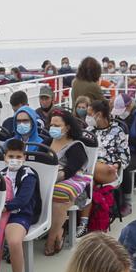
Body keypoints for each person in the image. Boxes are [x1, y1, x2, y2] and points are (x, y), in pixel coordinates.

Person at [1, 139, 41, 272]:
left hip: (21, 213)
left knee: (15, 242)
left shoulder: (28, 174)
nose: (15, 159)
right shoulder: (0, 173)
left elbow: (23, 200)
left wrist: (4, 208)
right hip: (1, 213)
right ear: (5, 157)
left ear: (24, 157)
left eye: (19, 156)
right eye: (11, 156)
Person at [45, 109, 91, 255]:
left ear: (68, 127)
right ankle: (57, 231)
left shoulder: (76, 146)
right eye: (52, 125)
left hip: (71, 185)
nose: (53, 128)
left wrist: (52, 178)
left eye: (57, 125)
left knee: (58, 197)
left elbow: (70, 171)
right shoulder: (46, 143)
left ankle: (51, 239)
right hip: (48, 182)